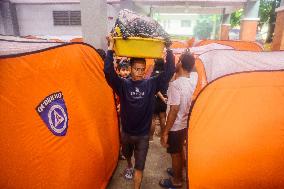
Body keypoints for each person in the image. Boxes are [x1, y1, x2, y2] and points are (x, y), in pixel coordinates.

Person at [104, 35, 175, 189]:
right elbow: (108, 72)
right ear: (130, 69)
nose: (140, 72)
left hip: (143, 136)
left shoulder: (151, 84)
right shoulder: (123, 84)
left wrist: (168, 49)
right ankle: (129, 164)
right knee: (128, 155)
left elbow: (169, 71)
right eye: (137, 69)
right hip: (127, 133)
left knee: (140, 167)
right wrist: (110, 47)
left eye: (143, 69)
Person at [159, 52, 196, 189]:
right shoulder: (191, 82)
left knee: (175, 154)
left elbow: (174, 110)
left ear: (180, 63)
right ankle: (178, 172)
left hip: (175, 126)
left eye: (178, 60)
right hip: (184, 124)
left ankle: (176, 181)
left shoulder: (176, 85)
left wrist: (165, 132)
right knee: (180, 151)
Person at [149, 59, 169, 141]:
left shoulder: (153, 74)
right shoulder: (165, 74)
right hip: (164, 98)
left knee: (152, 119)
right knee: (163, 118)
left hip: (154, 98)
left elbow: (154, 88)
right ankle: (163, 135)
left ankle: (150, 137)